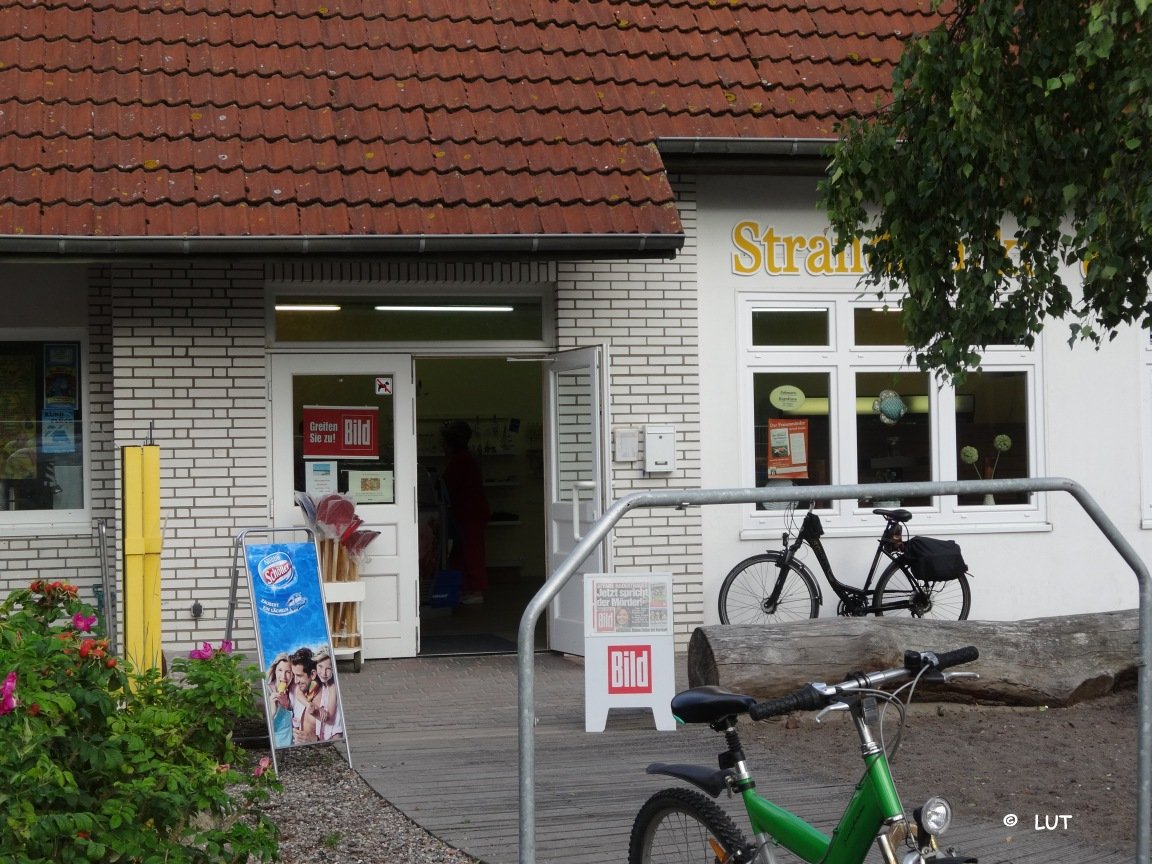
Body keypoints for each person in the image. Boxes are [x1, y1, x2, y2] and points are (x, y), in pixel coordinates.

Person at [440, 421, 490, 605]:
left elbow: (448, 484)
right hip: (469, 513)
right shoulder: (467, 458)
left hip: (469, 514)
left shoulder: (460, 461)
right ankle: (468, 588)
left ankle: (476, 590)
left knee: (471, 551)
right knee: (465, 551)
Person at [288, 646, 322, 744]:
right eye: (294, 675)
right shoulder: (299, 691)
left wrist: (315, 740)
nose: (295, 681)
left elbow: (337, 735)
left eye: (299, 676)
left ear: (312, 674)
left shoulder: (324, 697)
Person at [309, 647, 344, 741]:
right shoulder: (323, 684)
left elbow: (331, 718)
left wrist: (313, 712)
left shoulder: (332, 687)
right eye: (320, 666)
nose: (324, 673)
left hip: (334, 733)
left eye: (328, 669)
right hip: (324, 732)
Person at [266, 653, 294, 747]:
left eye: (288, 672)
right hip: (276, 744)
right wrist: (272, 711)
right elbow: (261, 729)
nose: (283, 676)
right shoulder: (267, 691)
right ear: (274, 671)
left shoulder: (293, 691)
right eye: (280, 670)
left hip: (292, 744)